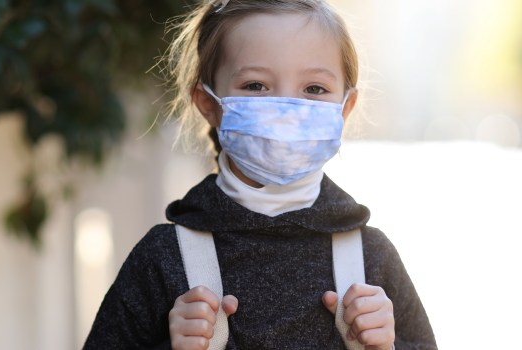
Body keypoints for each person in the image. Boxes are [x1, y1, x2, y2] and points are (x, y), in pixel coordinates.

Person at [83, 0, 436, 349]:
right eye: (255, 85)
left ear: (345, 108)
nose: (286, 109)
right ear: (210, 105)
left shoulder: (372, 257)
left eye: (314, 89)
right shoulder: (162, 258)